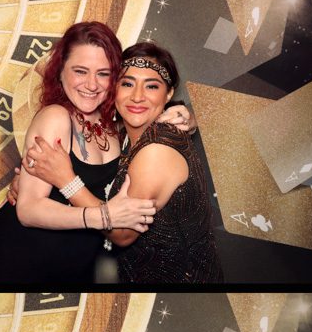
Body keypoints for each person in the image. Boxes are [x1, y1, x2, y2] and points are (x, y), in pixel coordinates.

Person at [0, 22, 160, 284]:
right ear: (60, 72)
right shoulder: (55, 117)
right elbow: (28, 210)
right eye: (80, 71)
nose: (91, 84)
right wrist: (104, 216)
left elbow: (153, 112)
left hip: (71, 268)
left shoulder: (116, 126)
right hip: (17, 261)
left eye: (103, 74)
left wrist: (181, 114)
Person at [25, 41, 223, 283]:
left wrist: (65, 180)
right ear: (114, 89)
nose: (137, 96)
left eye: (152, 86)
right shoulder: (122, 136)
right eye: (127, 84)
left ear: (169, 93)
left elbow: (122, 232)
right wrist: (32, 180)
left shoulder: (157, 150)